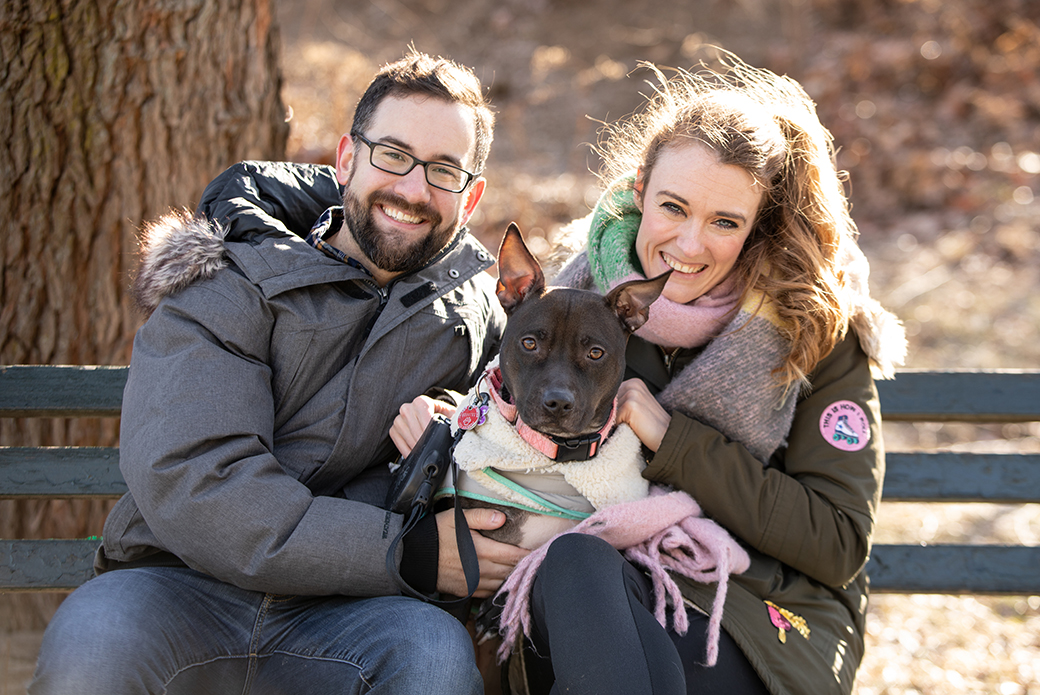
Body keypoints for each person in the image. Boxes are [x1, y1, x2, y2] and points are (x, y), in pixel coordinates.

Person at [30, 50, 529, 695]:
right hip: (177, 588)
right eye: (393, 155)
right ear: (347, 158)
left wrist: (448, 436)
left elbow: (522, 448)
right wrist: (406, 551)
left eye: (443, 170)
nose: (412, 188)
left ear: (472, 194)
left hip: (354, 614)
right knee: (91, 652)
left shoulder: (476, 322)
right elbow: (199, 480)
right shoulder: (227, 280)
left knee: (431, 658)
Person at [494, 55, 907, 695]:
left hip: (755, 610)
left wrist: (675, 441)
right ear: (638, 192)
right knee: (575, 564)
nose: (690, 246)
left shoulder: (810, 330)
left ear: (756, 228)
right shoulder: (575, 305)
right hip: (604, 592)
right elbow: (494, 417)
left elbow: (837, 541)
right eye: (673, 207)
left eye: (724, 222)